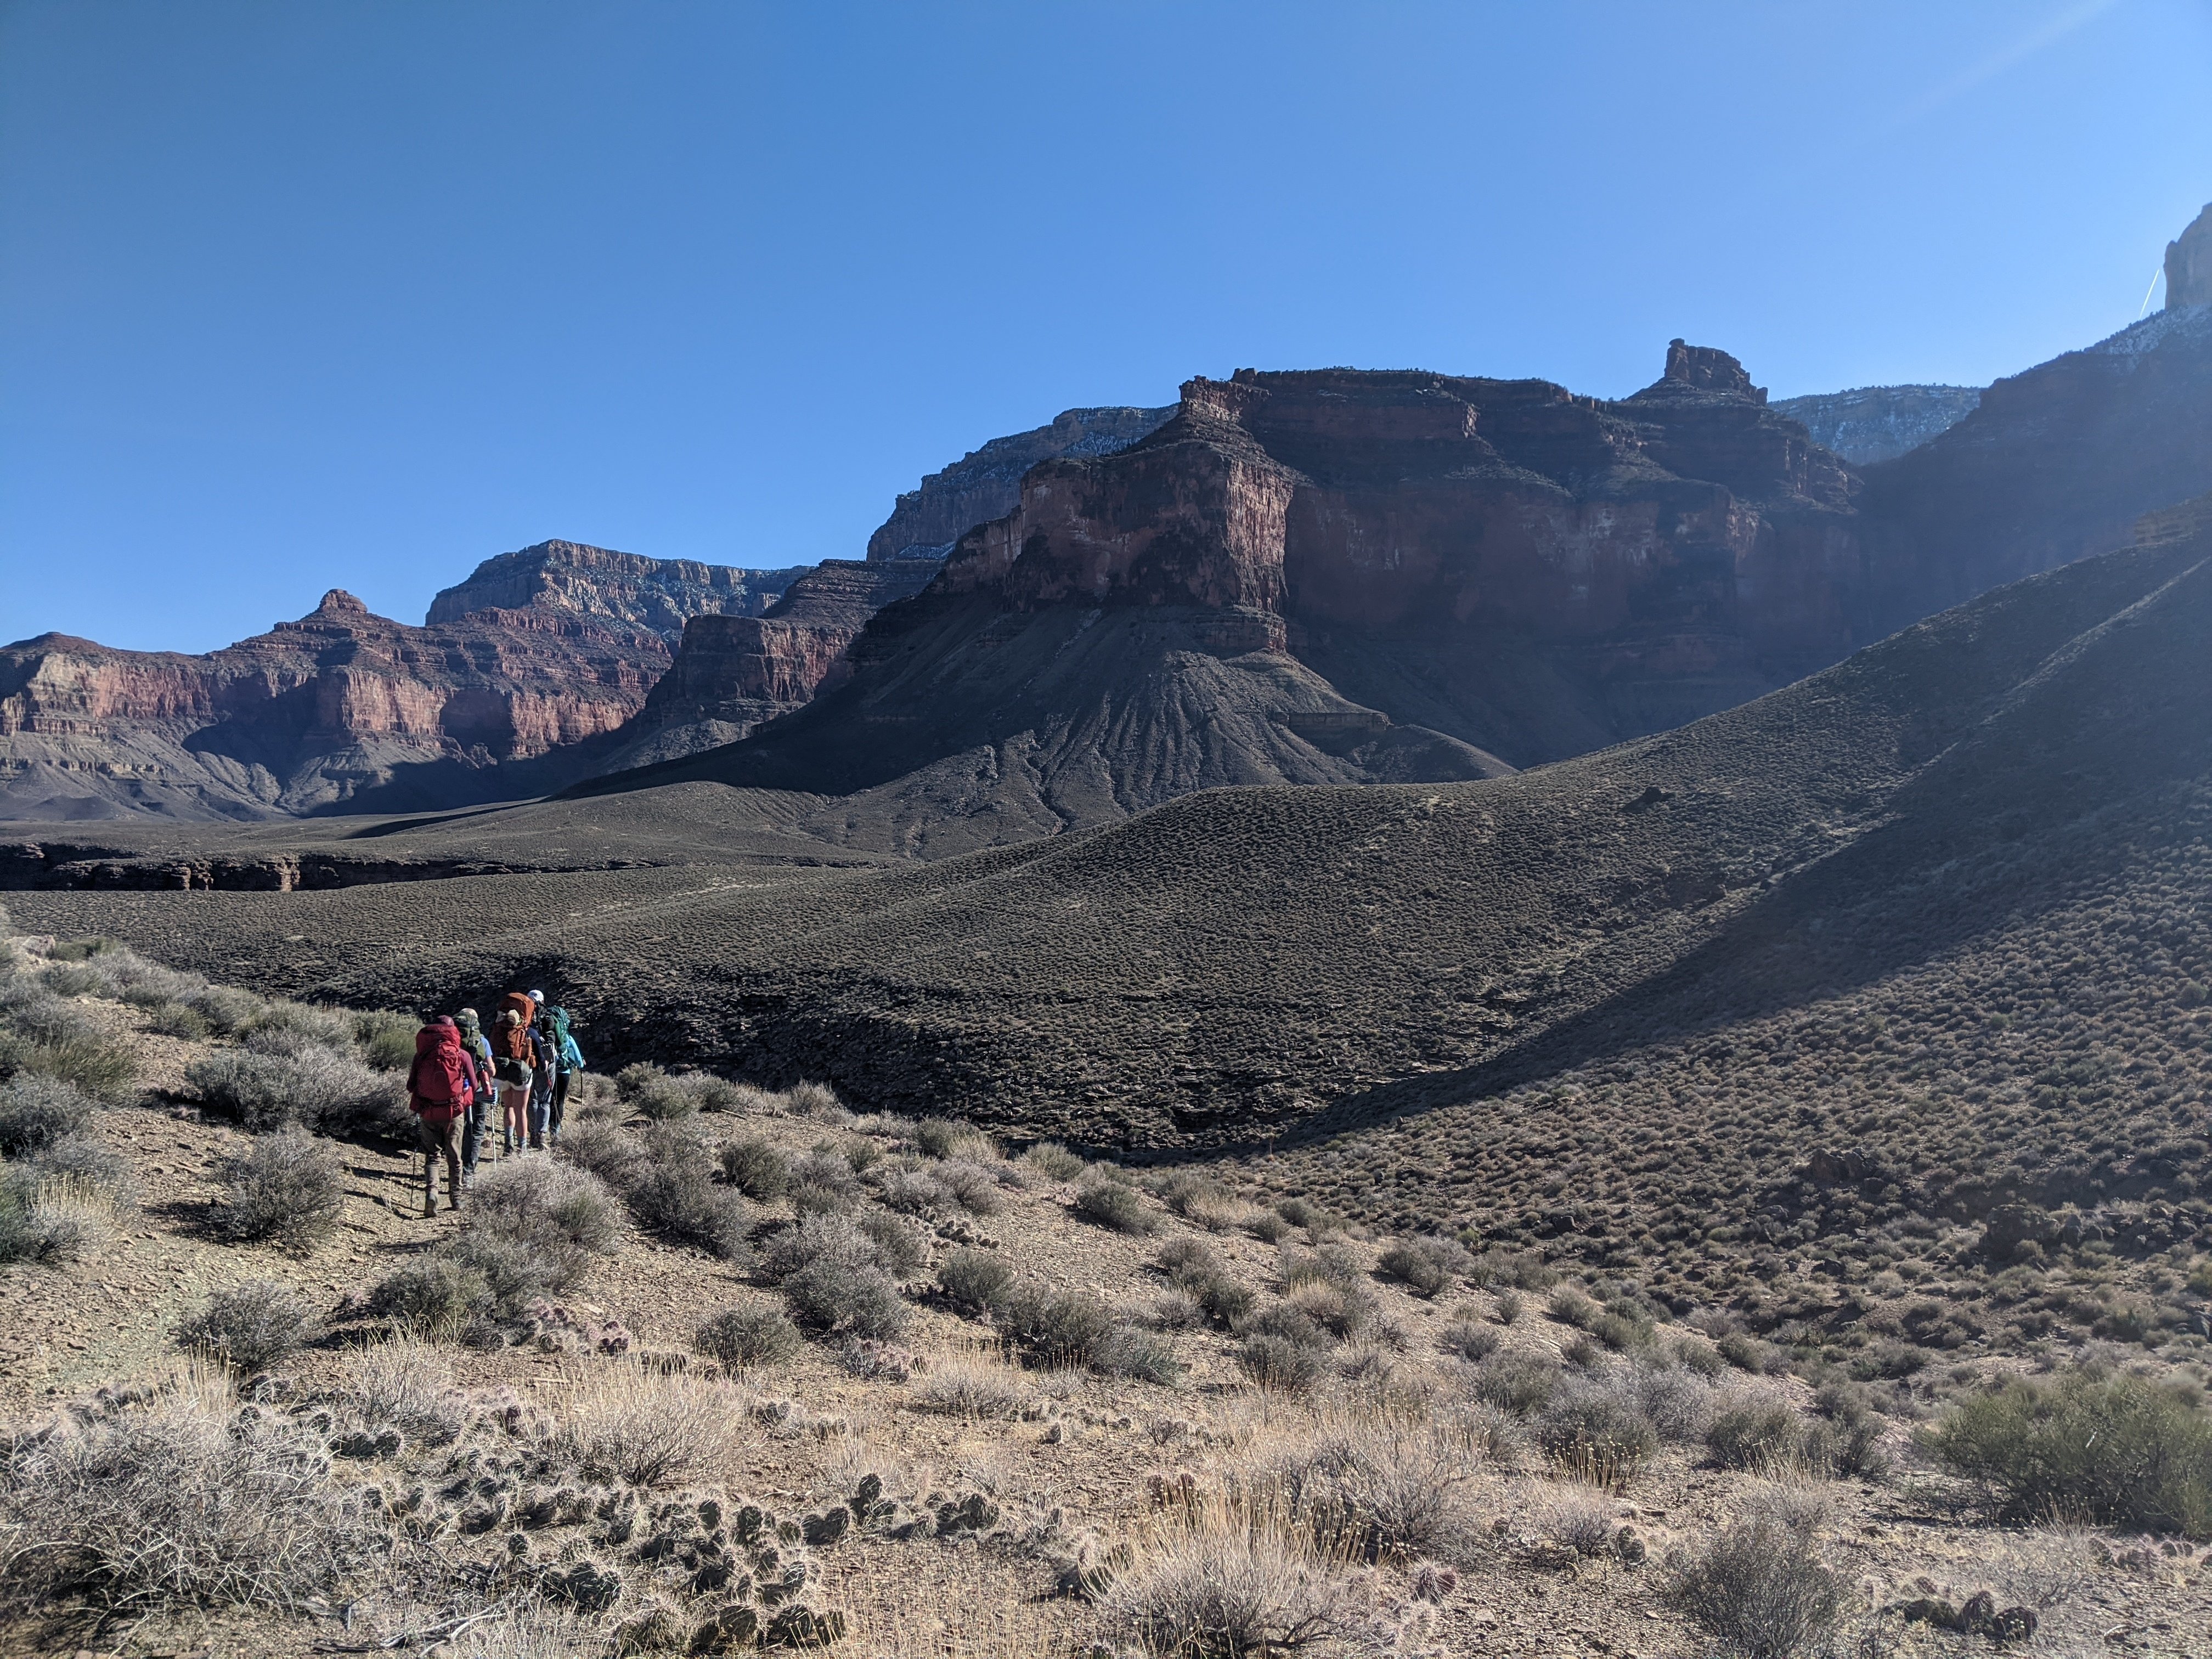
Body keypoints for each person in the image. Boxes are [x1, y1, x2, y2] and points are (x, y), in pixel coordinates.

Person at [406, 1015, 481, 1217]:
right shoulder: (462, 1054)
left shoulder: (421, 1056)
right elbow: (475, 1085)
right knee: (455, 1157)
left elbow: (410, 1086)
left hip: (429, 1111)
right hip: (454, 1112)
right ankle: (456, 1198)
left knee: (432, 1156)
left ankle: (432, 1193)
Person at [454, 1007, 496, 1177]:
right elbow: (492, 1070)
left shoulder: (452, 1040)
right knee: (477, 1129)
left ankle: (455, 1168)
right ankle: (468, 1172)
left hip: (456, 1090)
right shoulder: (483, 1042)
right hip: (477, 1089)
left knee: (458, 1128)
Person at [493, 1007, 534, 1154]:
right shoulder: (524, 1032)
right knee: (521, 1110)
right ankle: (522, 1148)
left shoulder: (498, 1032)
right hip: (520, 1073)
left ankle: (508, 1144)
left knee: (508, 1107)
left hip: (503, 1073)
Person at [545, 1006, 584, 1146]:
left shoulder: (547, 1036)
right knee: (560, 1101)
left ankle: (541, 1130)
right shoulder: (567, 1037)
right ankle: (556, 1131)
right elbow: (579, 1060)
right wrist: (581, 1065)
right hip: (564, 1072)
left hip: (548, 1071)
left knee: (547, 1100)